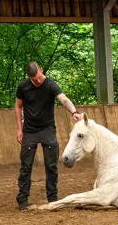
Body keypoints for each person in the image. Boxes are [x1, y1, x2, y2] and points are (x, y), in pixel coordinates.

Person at [15, 61, 82, 210]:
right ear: (29, 77)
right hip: (29, 130)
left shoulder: (50, 85)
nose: (38, 81)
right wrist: (19, 129)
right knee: (26, 166)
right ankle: (22, 200)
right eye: (34, 80)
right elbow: (18, 106)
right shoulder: (23, 87)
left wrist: (74, 112)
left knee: (51, 166)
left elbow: (64, 99)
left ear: (41, 70)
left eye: (39, 77)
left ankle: (52, 198)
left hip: (47, 129)